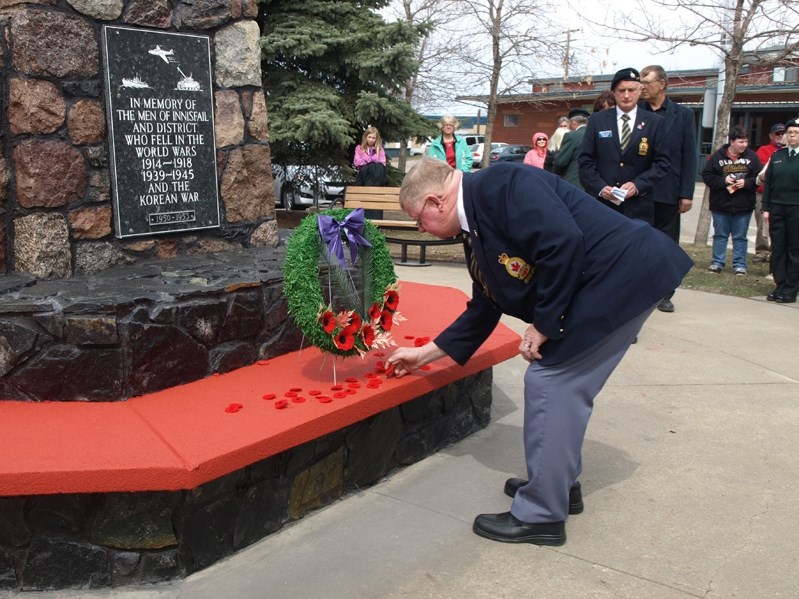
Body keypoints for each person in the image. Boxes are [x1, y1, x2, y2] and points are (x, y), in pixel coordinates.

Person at [387, 157, 692, 546]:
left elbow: (562, 242)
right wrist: (426, 353)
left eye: (418, 219)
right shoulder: (479, 215)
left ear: (435, 202)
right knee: (559, 383)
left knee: (552, 382)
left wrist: (545, 323)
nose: (419, 228)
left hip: (623, 276)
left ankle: (542, 514)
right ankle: (558, 486)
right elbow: (486, 302)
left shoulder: (501, 183)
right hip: (611, 280)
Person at [578, 68, 670, 225]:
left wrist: (638, 185)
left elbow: (662, 163)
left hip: (638, 207)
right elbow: (585, 161)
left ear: (640, 90)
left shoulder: (655, 123)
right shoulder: (597, 120)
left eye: (631, 90)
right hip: (602, 205)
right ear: (614, 92)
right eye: (621, 90)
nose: (626, 95)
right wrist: (600, 188)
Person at [639, 65, 697, 313]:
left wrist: (686, 193)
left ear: (662, 84)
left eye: (647, 83)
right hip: (639, 190)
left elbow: (689, 156)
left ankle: (664, 293)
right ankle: (637, 291)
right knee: (639, 243)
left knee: (666, 244)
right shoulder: (635, 112)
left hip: (668, 191)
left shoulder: (682, 115)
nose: (642, 87)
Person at [701, 127, 762, 275]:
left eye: (746, 141)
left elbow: (760, 177)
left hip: (743, 205)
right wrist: (723, 180)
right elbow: (707, 176)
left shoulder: (752, 157)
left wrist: (746, 183)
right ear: (732, 141)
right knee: (720, 235)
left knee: (740, 237)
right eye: (741, 141)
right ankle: (717, 263)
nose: (744, 145)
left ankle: (740, 265)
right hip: (721, 204)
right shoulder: (717, 157)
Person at [761, 117, 799, 304]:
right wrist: (766, 208)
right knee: (778, 249)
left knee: (794, 249)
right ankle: (780, 285)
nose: (792, 136)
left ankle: (791, 289)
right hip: (777, 208)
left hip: (796, 209)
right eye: (789, 132)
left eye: (796, 133)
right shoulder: (777, 156)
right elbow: (768, 185)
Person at [754, 123, 786, 262]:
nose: (780, 136)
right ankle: (762, 251)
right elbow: (761, 173)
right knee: (762, 224)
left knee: (779, 226)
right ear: (771, 136)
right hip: (763, 194)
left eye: (782, 133)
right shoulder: (764, 150)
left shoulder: (788, 153)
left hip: (780, 195)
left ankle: (776, 253)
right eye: (777, 134)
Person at [552, 108, 589, 189]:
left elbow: (560, 162)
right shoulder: (595, 135)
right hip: (593, 184)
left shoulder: (572, 136)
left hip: (574, 183)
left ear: (573, 123)